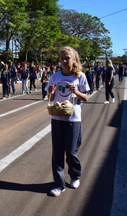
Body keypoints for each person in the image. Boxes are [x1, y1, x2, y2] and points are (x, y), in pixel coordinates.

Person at [47, 46, 89, 197]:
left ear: (74, 59)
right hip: (57, 118)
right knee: (57, 152)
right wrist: (51, 92)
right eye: (62, 58)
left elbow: (85, 97)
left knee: (71, 152)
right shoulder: (55, 77)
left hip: (73, 119)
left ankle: (75, 175)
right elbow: (51, 99)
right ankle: (59, 184)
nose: (64, 61)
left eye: (67, 58)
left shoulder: (80, 76)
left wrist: (75, 91)